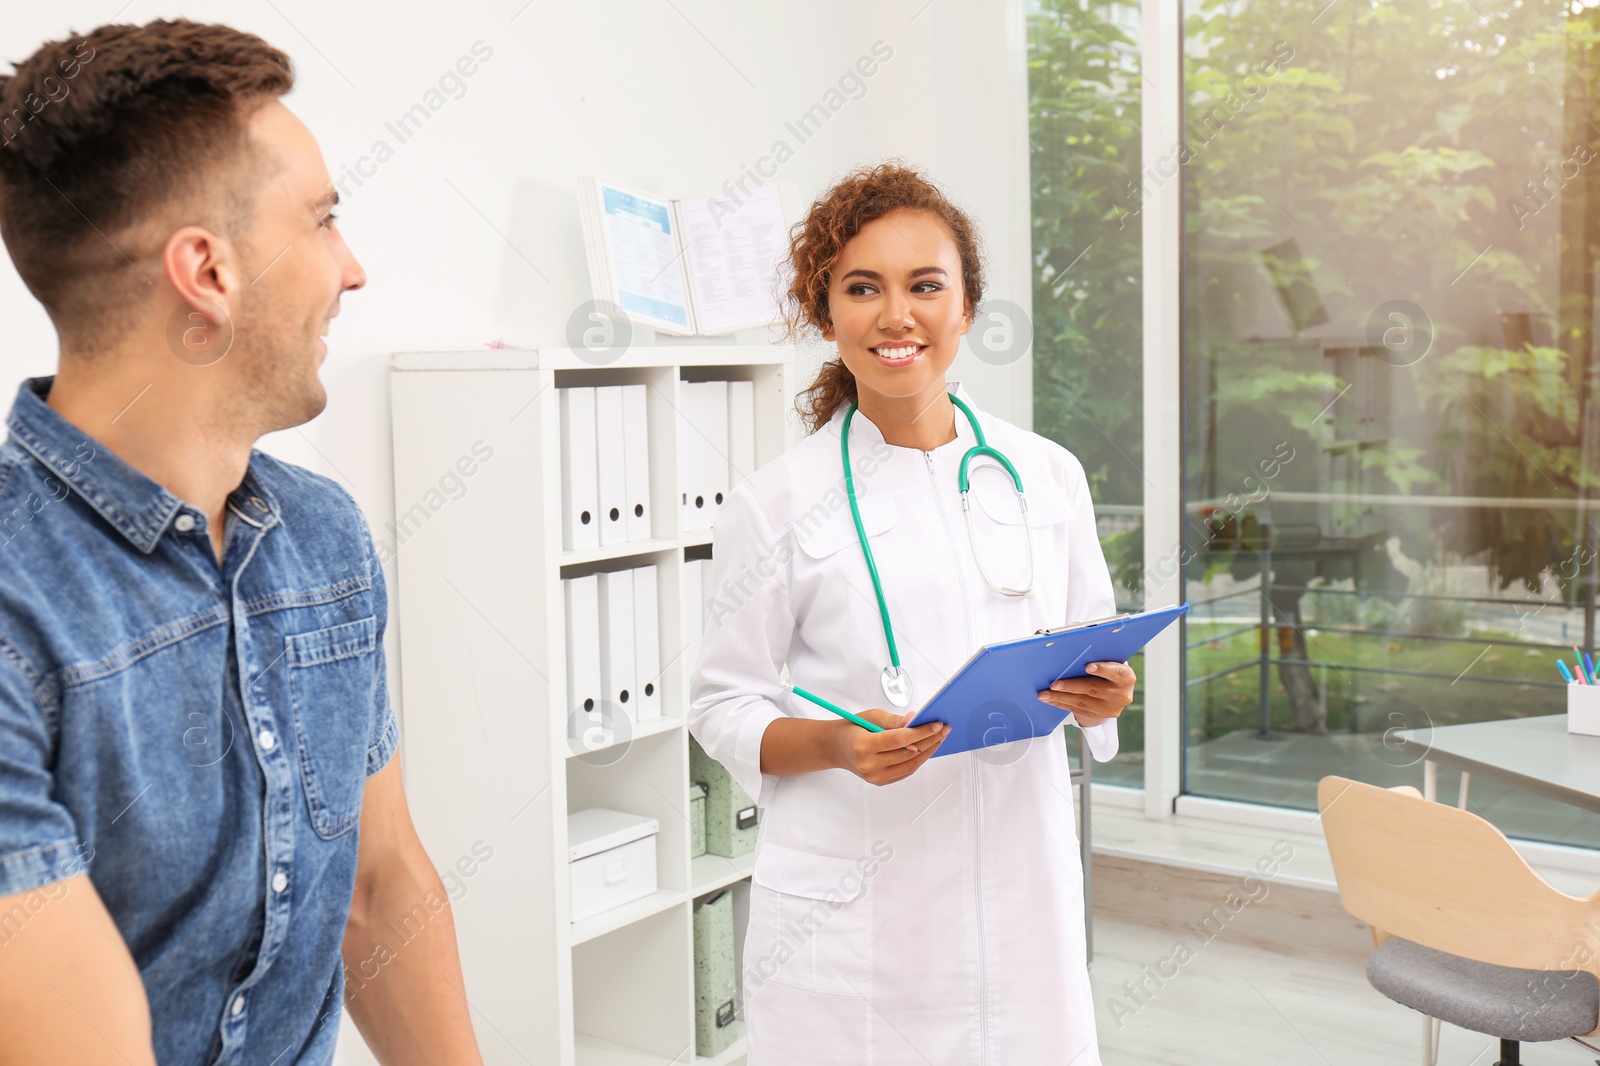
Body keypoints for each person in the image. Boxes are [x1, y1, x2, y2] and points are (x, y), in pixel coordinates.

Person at [0, 20, 482, 1065]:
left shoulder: (323, 538)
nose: (351, 269)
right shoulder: (14, 607)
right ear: (206, 273)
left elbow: (375, 886)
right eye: (322, 221)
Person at [688, 162, 1135, 1065]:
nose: (897, 315)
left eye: (925, 286)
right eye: (864, 288)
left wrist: (1107, 696)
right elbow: (721, 706)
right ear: (827, 315)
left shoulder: (1046, 474)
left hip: (1021, 892)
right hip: (858, 910)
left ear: (966, 308)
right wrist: (838, 746)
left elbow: (1097, 652)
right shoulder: (775, 502)